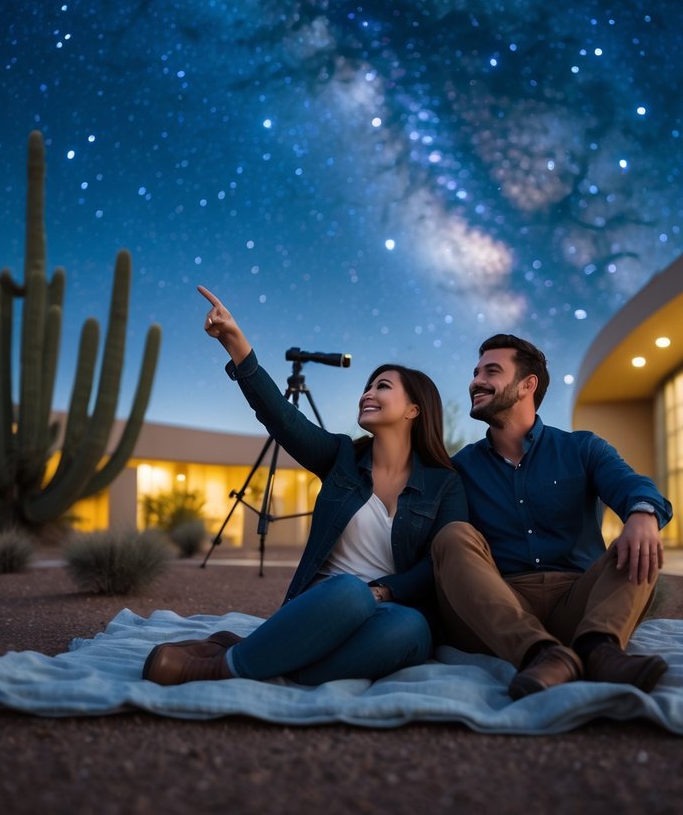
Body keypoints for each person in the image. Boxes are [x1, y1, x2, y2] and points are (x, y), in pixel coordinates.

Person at [142, 285, 467, 686]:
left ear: (415, 410)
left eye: (382, 386)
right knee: (349, 590)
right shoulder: (341, 458)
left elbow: (439, 564)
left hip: (390, 608)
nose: (367, 392)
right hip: (326, 603)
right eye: (367, 386)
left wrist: (381, 593)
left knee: (411, 631)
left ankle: (245, 652)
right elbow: (281, 418)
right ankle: (218, 668)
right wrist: (236, 344)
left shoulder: (445, 484)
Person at [432, 334, 673, 699]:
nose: (476, 381)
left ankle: (599, 651)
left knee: (638, 537)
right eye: (476, 371)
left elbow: (632, 484)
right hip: (499, 603)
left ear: (528, 384)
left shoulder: (581, 448)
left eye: (491, 371)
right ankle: (539, 654)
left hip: (578, 602)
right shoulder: (461, 466)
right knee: (452, 536)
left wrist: (642, 515)